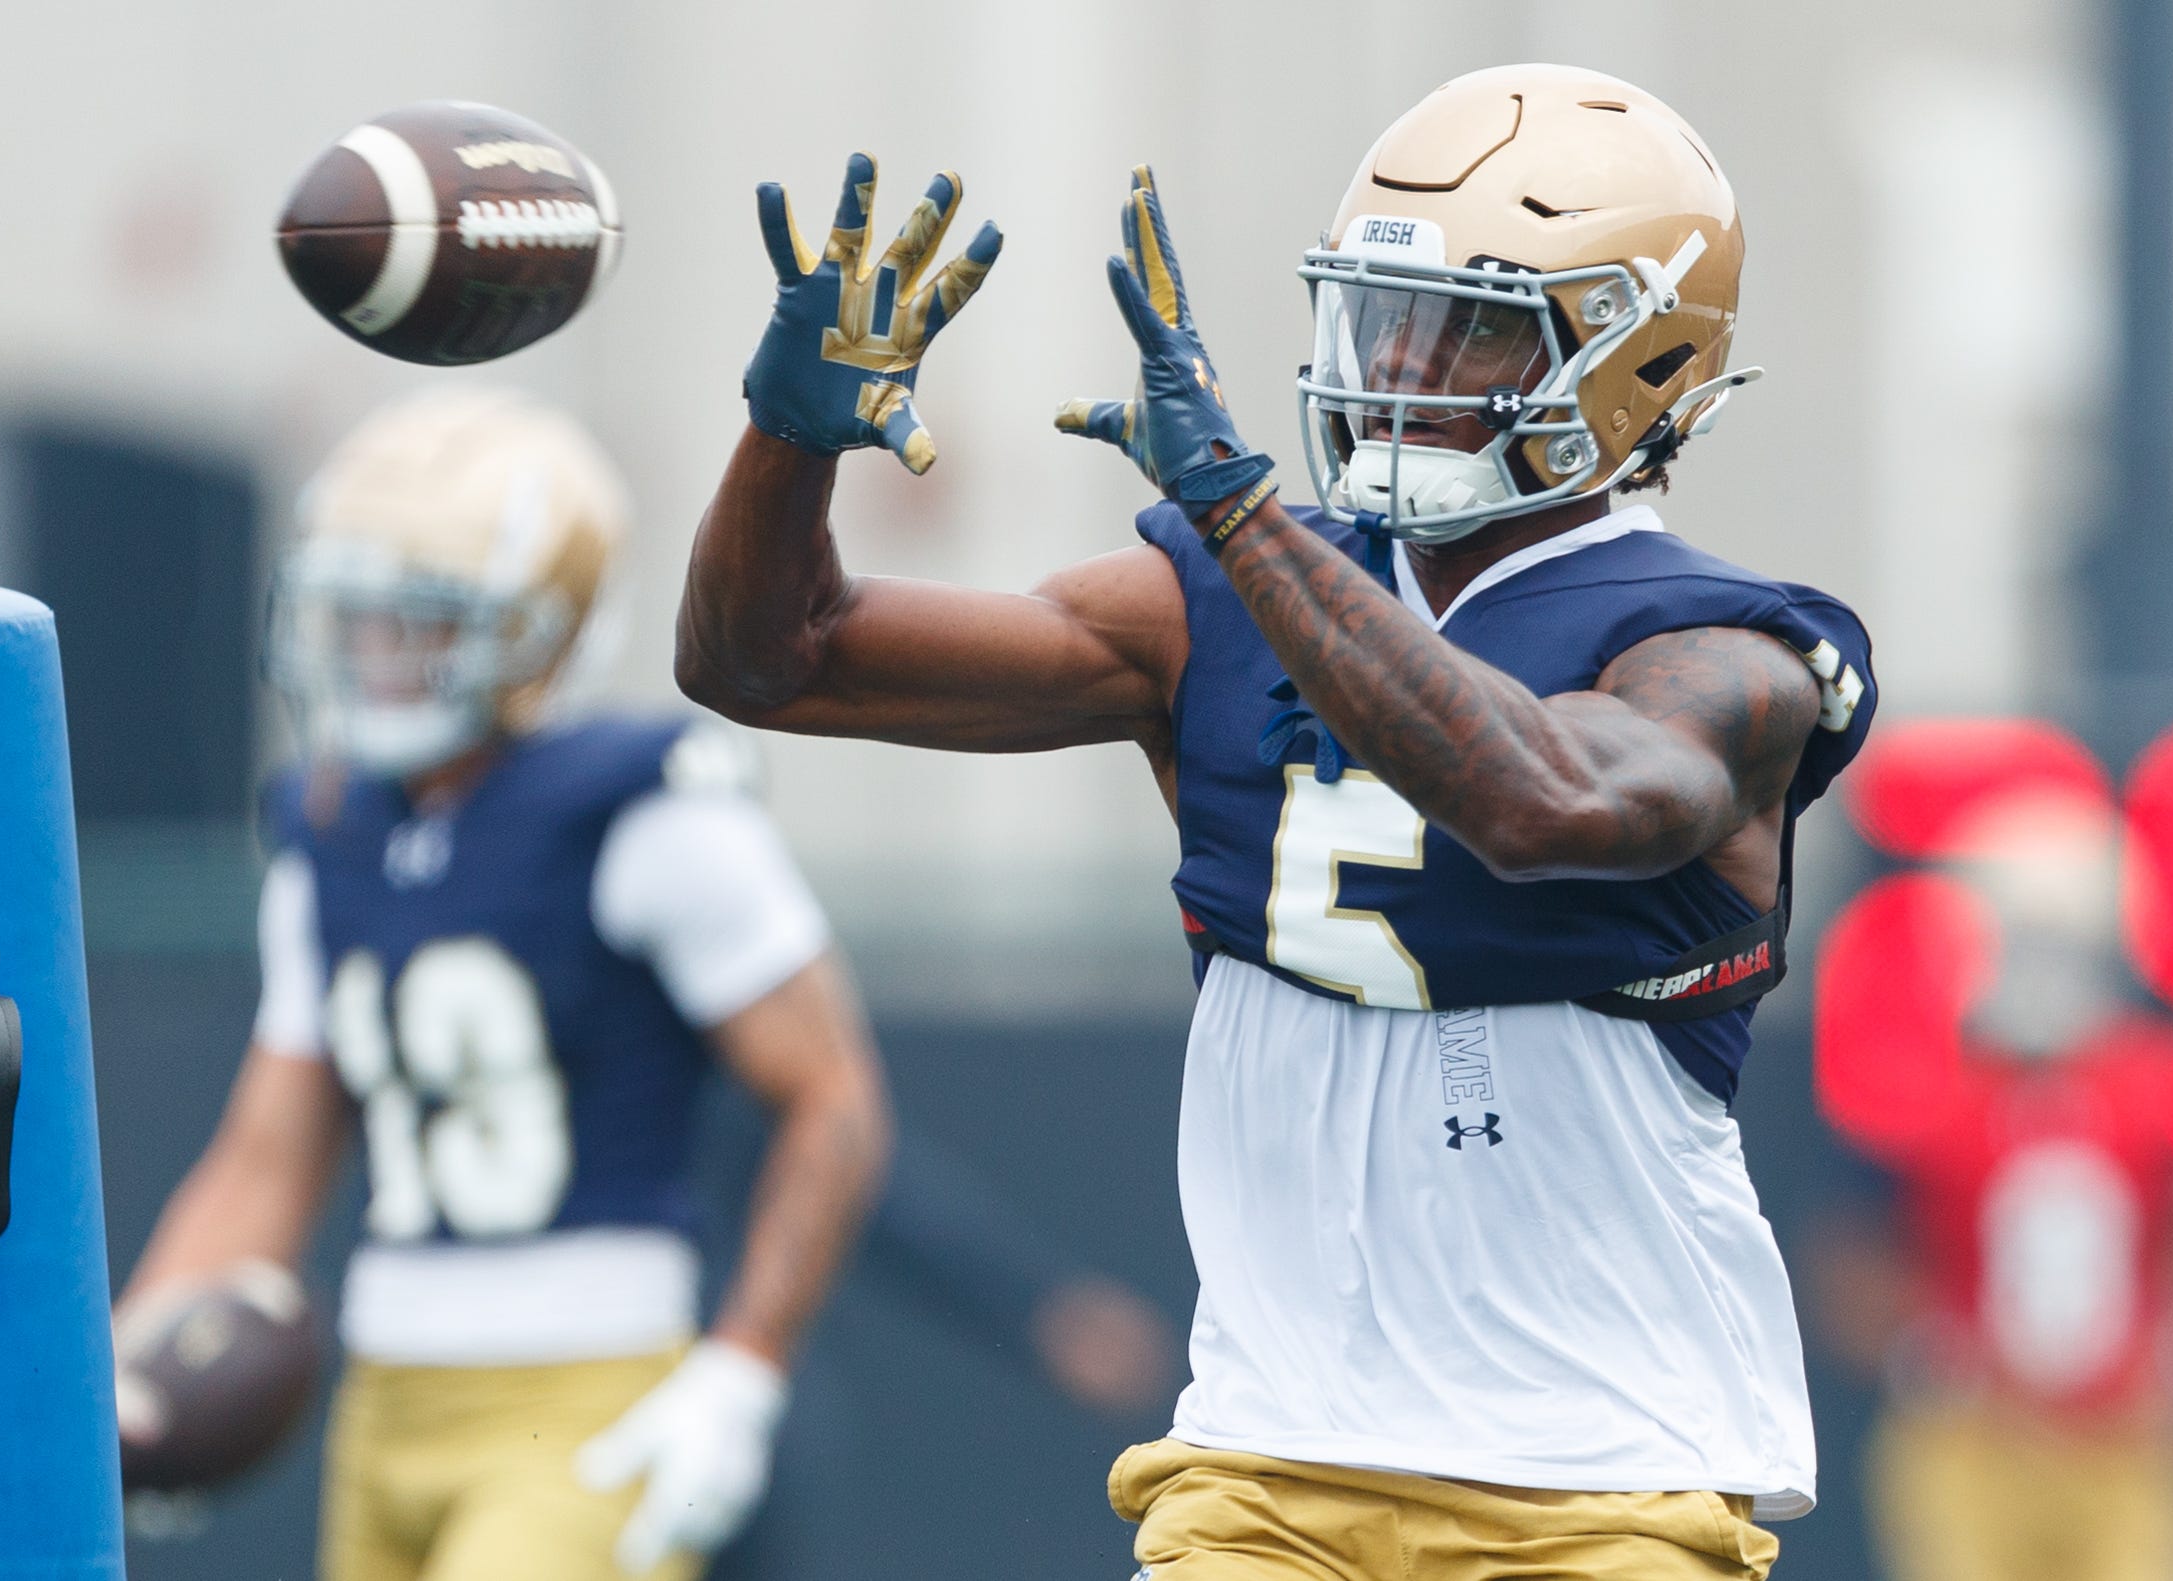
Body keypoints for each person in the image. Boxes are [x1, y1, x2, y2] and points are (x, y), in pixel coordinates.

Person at [676, 63, 1875, 1581]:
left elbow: (1540, 800)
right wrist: (785, 445)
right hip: (1261, 1470)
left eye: (1475, 331)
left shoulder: (1722, 652)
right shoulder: (1217, 593)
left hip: (1606, 1475)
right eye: (1386, 315)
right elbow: (766, 660)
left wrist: (1246, 523)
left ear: (1639, 366)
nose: (1406, 363)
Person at [112, 387, 1170, 1581]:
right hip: (388, 1397)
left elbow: (830, 1101)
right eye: (354, 619)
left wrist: (743, 1366)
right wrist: (128, 1372)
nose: (372, 654)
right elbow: (266, 1157)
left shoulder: (640, 804)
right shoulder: (328, 831)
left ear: (534, 628)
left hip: (586, 1389)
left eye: (413, 620)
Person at [1811, 781, 2173, 1581]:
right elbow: (1855, 1263)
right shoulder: (1928, 1095)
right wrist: (1936, 1354)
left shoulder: (2161, 1089)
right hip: (1971, 1440)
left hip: (2130, 1439)